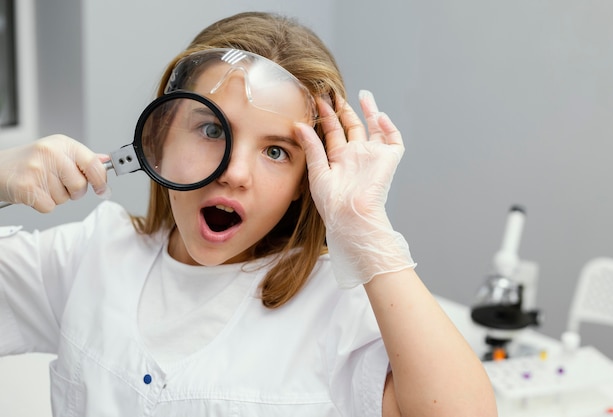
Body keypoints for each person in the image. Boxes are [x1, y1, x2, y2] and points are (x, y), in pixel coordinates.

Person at [0, 11, 497, 417]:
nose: (235, 174)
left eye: (277, 151)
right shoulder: (88, 256)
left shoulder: (341, 308)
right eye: (212, 132)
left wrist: (367, 228)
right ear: (160, 138)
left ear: (308, 183)